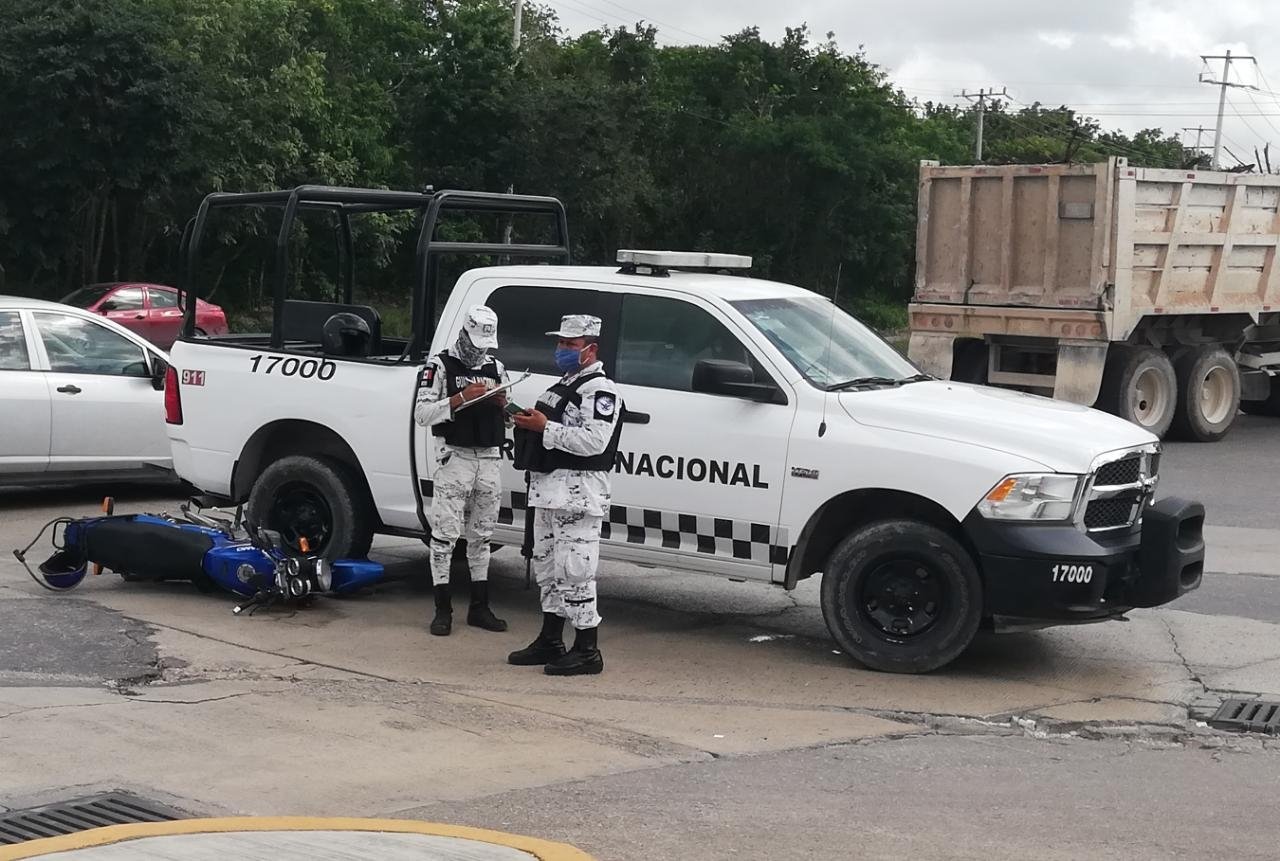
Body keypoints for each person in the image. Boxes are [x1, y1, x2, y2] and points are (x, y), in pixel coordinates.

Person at [509, 314, 622, 676]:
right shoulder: (563, 385)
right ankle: (550, 639)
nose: (562, 350)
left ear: (591, 349)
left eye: (570, 345)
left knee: (575, 570)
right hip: (547, 491)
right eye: (560, 343)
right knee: (547, 567)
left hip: (578, 495)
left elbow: (594, 441)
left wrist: (546, 428)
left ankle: (587, 649)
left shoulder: (600, 390)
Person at [414, 305, 510, 636]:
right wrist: (458, 399)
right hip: (455, 457)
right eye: (476, 342)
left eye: (486, 344)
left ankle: (480, 608)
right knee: (445, 535)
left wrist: (502, 404)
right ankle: (443, 610)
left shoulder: (496, 366)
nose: (481, 350)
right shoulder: (439, 366)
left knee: (482, 535)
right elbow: (422, 414)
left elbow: (508, 410)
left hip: (489, 456)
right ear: (464, 334)